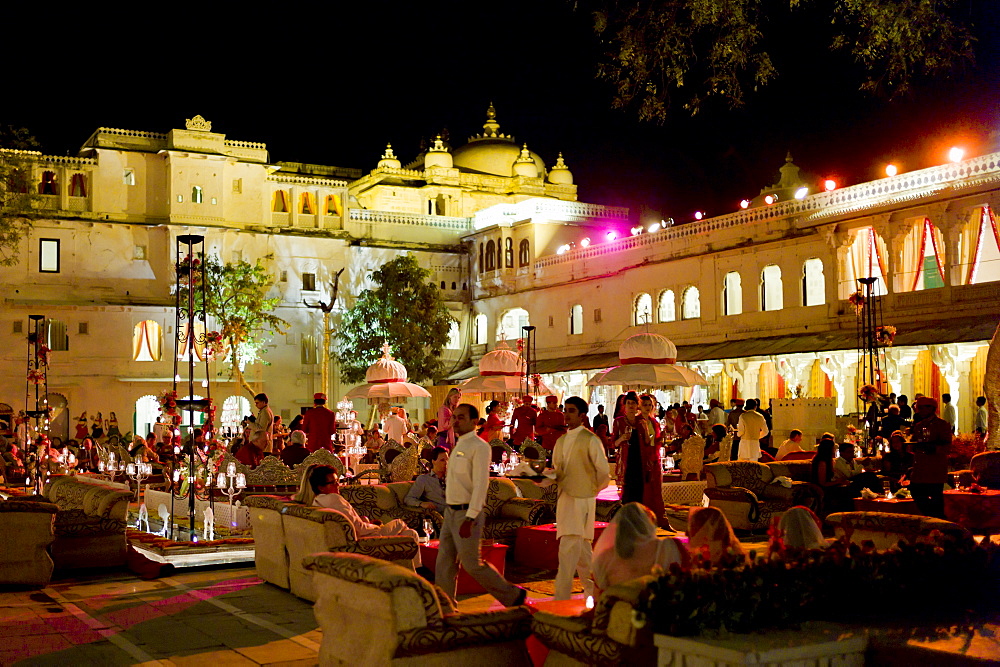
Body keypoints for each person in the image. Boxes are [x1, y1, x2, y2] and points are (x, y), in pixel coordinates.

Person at [436, 403, 526, 607]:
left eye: (461, 417)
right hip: (451, 511)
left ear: (474, 422)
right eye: (455, 417)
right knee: (444, 563)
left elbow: (480, 484)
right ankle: (444, 606)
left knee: (471, 564)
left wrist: (471, 517)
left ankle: (511, 595)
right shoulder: (459, 445)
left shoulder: (479, 446)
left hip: (467, 512)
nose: (455, 421)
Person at [296, 464, 421, 569]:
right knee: (399, 523)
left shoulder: (317, 500)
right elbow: (359, 528)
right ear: (321, 487)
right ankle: (417, 571)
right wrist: (375, 527)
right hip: (364, 541)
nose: (338, 485)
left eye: (337, 481)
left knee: (410, 534)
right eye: (333, 483)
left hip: (354, 538)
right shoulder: (334, 499)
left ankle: (411, 569)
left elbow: (349, 521)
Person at [547, 396, 611, 600]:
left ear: (582, 415)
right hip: (566, 499)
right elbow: (557, 472)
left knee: (568, 550)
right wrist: (539, 478)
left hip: (582, 500)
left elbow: (603, 474)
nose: (566, 414)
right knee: (582, 554)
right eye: (565, 409)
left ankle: (560, 599)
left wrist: (589, 491)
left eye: (571, 410)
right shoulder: (561, 441)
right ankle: (595, 593)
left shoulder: (590, 439)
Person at [592, 502, 687, 598]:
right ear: (649, 524)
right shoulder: (670, 548)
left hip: (620, 610)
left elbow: (601, 595)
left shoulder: (605, 557)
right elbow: (688, 577)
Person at [612, 392, 665, 527]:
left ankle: (638, 522)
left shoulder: (641, 421)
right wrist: (622, 438)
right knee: (627, 491)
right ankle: (625, 522)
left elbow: (647, 442)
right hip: (626, 460)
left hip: (640, 461)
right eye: (628, 403)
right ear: (624, 406)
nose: (631, 406)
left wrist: (647, 431)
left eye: (634, 403)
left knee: (640, 490)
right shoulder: (619, 421)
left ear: (637, 406)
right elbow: (613, 444)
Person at [908, 396, 952, 518]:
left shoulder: (942, 425)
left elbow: (947, 446)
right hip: (920, 468)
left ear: (931, 409)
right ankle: (932, 519)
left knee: (936, 499)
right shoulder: (918, 426)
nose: (919, 410)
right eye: (918, 408)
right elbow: (913, 444)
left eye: (922, 408)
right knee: (916, 492)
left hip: (935, 468)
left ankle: (939, 523)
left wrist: (931, 448)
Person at [811, 436, 852, 514]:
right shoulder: (822, 462)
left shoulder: (829, 460)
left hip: (829, 485)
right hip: (823, 488)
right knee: (846, 491)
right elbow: (822, 483)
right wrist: (838, 482)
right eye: (833, 448)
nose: (834, 450)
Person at [404, 446, 449, 514]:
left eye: (447, 460)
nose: (446, 463)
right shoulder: (424, 480)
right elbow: (409, 499)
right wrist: (421, 503)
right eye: (442, 460)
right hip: (441, 515)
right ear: (433, 461)